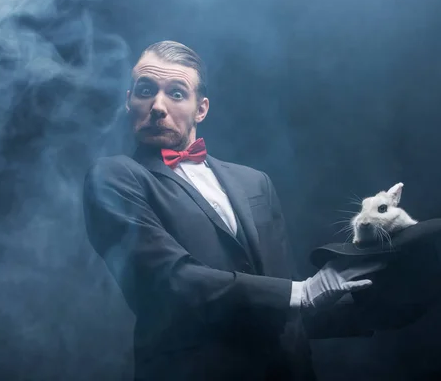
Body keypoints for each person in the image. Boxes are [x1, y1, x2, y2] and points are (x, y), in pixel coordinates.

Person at [82, 40, 386, 381]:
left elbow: (284, 302)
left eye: (177, 93)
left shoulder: (255, 182)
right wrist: (303, 292)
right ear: (128, 101)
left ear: (202, 109)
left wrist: (376, 298)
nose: (157, 106)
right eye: (146, 90)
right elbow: (170, 281)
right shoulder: (113, 176)